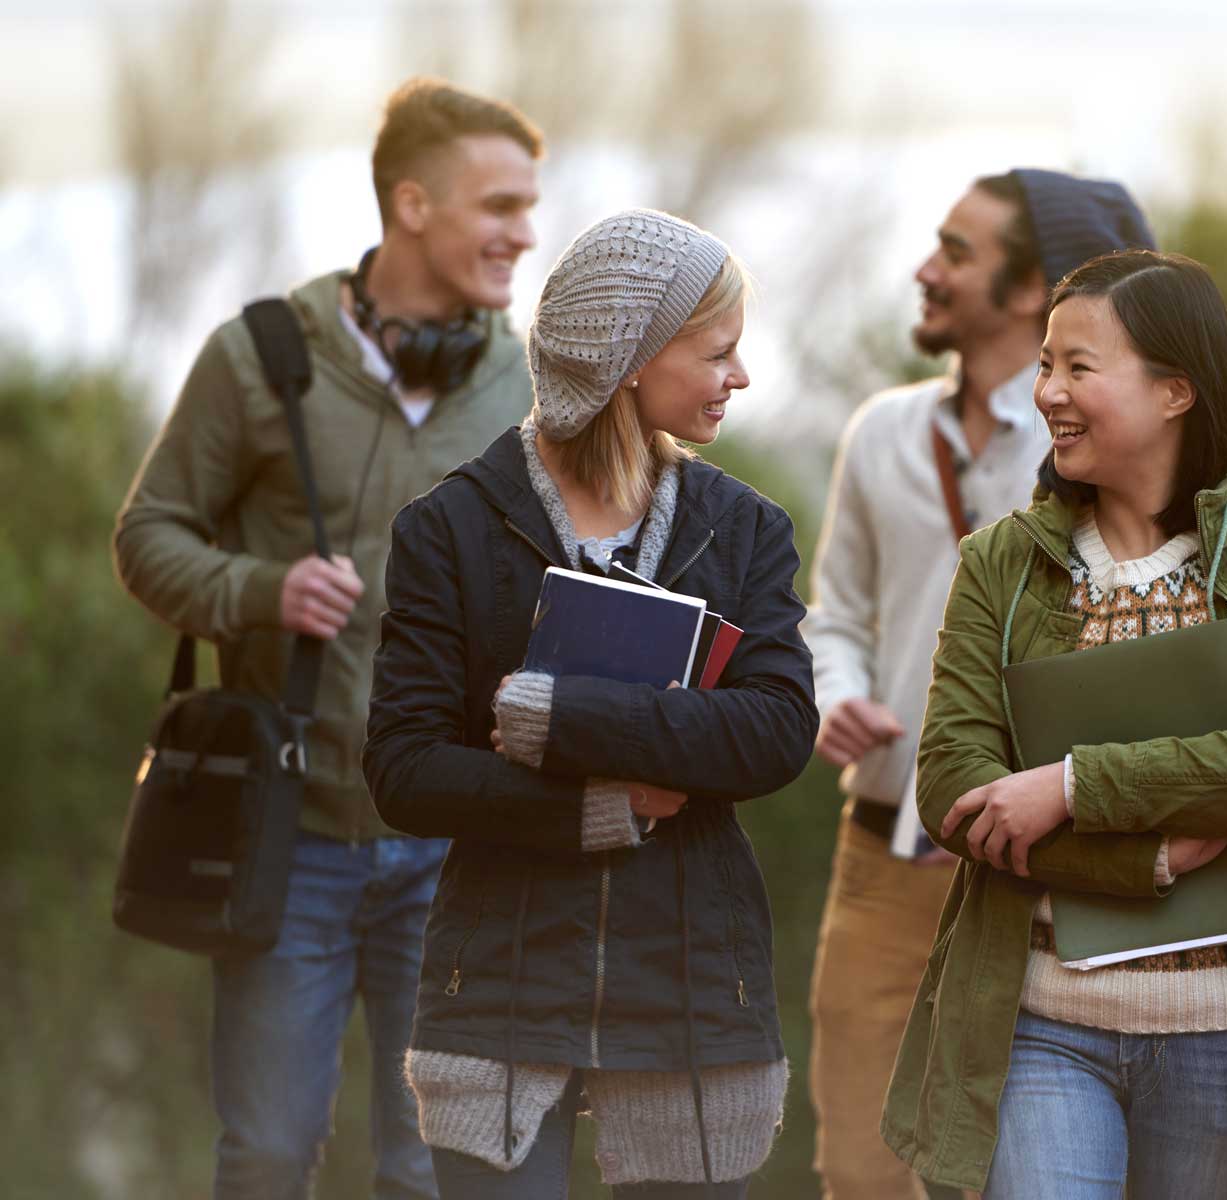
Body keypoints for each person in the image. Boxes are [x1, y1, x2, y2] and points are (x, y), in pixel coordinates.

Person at [113, 77, 542, 1199]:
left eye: (529, 206)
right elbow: (147, 536)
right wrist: (261, 590)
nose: (524, 233)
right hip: (285, 837)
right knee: (264, 1155)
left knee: (428, 1165)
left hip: (455, 842)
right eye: (498, 205)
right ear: (413, 204)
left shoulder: (530, 381)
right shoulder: (260, 355)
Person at [881, 250, 1227, 1199]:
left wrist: (1065, 787)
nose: (1047, 391)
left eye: (1078, 367)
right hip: (1037, 1023)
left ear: (1175, 391)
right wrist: (1145, 860)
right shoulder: (1001, 565)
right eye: (1045, 364)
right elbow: (952, 786)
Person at [362, 209, 818, 1199]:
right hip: (498, 993)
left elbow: (778, 732)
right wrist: (595, 808)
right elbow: (402, 767)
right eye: (720, 353)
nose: (741, 377)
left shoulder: (745, 531)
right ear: (631, 360)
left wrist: (561, 718)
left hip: (691, 993)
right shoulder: (449, 530)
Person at [803, 169, 1154, 1200]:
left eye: (956, 252)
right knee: (861, 1176)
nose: (926, 270)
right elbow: (836, 614)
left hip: (1044, 869)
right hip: (879, 858)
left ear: (1032, 286)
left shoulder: (1098, 450)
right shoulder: (880, 432)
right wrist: (837, 692)